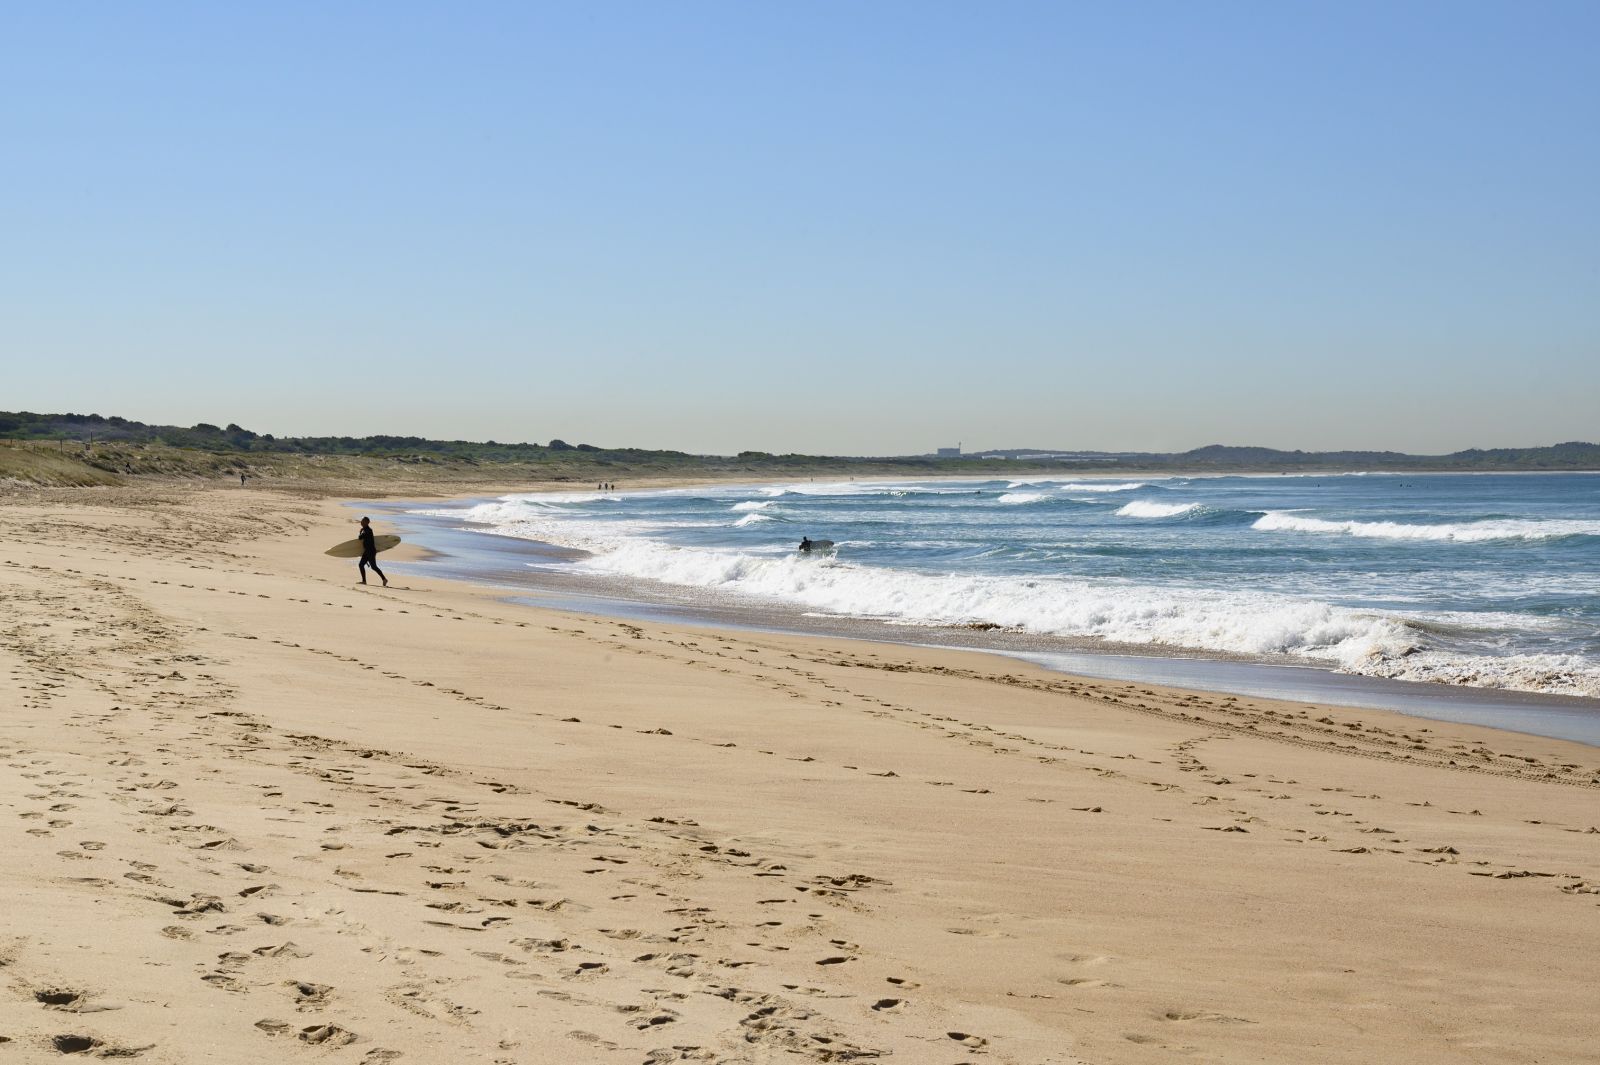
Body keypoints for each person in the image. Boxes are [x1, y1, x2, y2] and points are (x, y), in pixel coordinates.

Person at [357, 516, 388, 587]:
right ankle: (364, 581)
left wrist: (361, 531)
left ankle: (384, 579)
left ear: (367, 522)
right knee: (361, 565)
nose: (361, 522)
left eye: (363, 521)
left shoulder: (368, 530)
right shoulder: (366, 529)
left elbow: (360, 538)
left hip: (370, 551)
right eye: (361, 520)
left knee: (373, 566)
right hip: (368, 551)